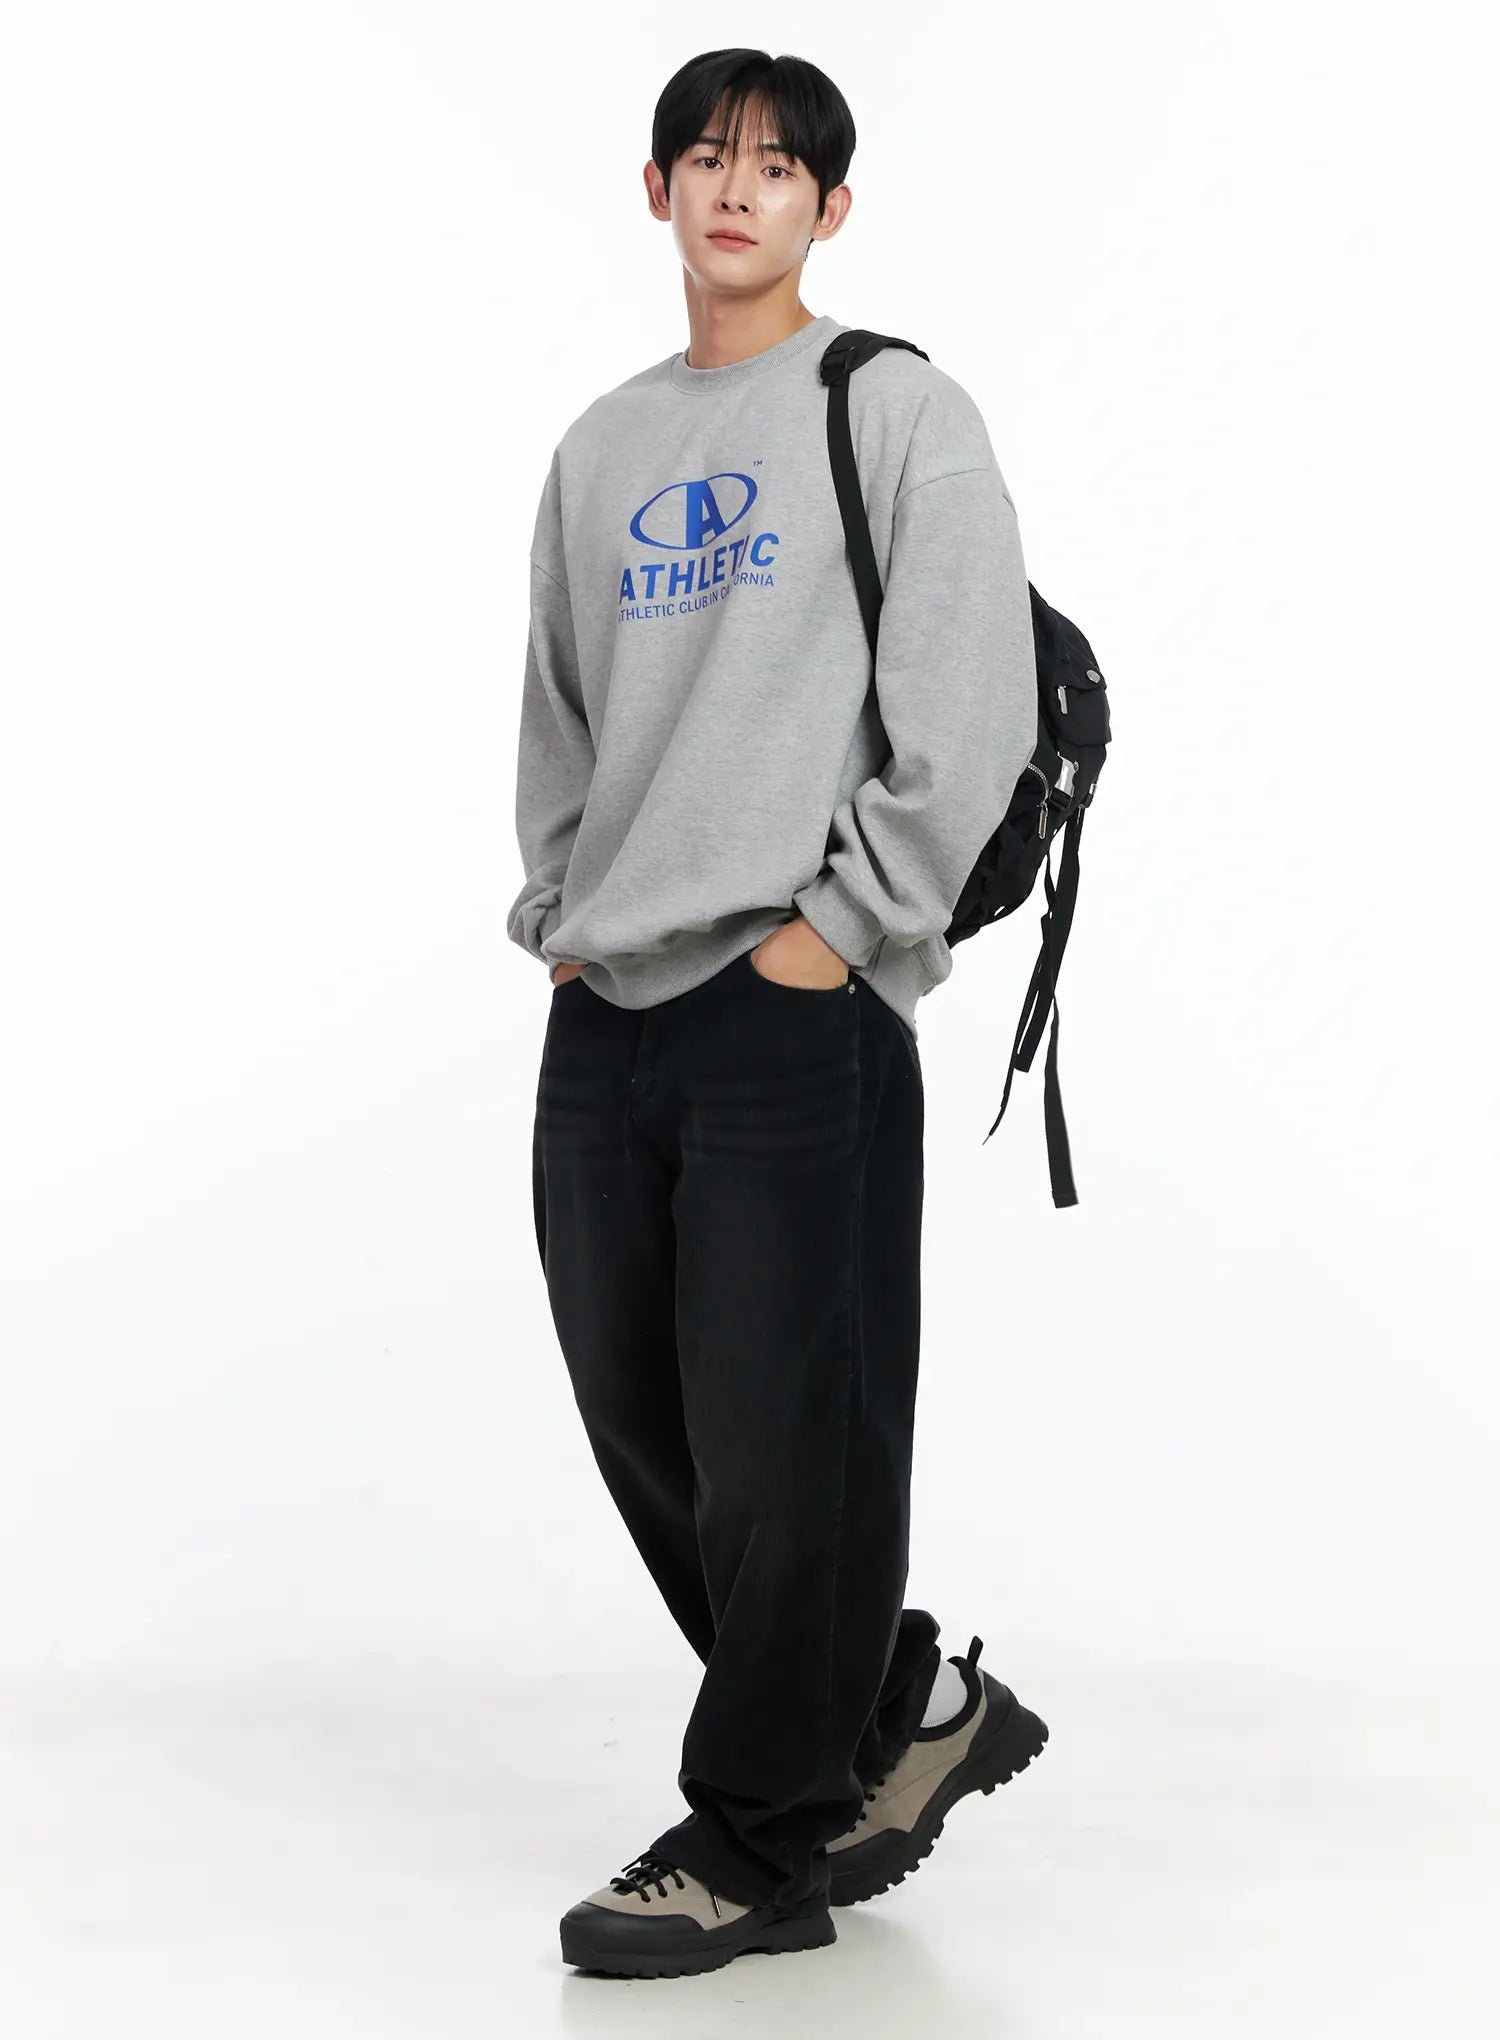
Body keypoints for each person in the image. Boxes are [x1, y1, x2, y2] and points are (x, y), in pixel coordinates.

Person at [506, 47, 1049, 1979]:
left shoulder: (892, 407)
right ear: (656, 188)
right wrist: (563, 918)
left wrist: (847, 929)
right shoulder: (600, 447)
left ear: (833, 206)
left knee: (788, 1434)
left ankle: (752, 1839)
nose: (738, 190)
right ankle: (894, 1702)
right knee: (644, 1409)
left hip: (794, 998)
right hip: (612, 1003)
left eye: (779, 166)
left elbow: (970, 699)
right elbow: (563, 709)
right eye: (706, 158)